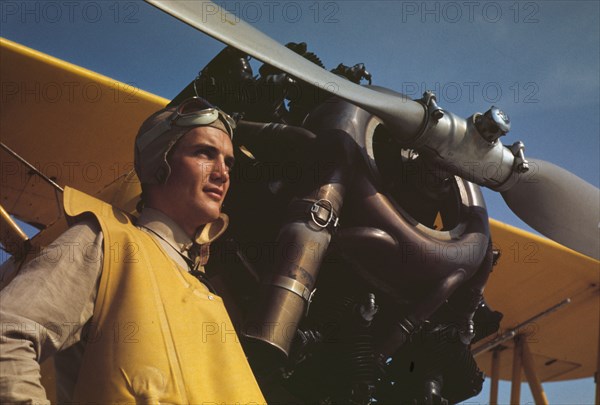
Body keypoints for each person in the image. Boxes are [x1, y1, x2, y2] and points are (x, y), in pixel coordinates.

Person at [0, 97, 266, 404]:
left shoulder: (209, 294)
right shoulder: (106, 242)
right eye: (204, 153)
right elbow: (7, 335)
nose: (222, 173)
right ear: (160, 163)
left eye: (228, 162)